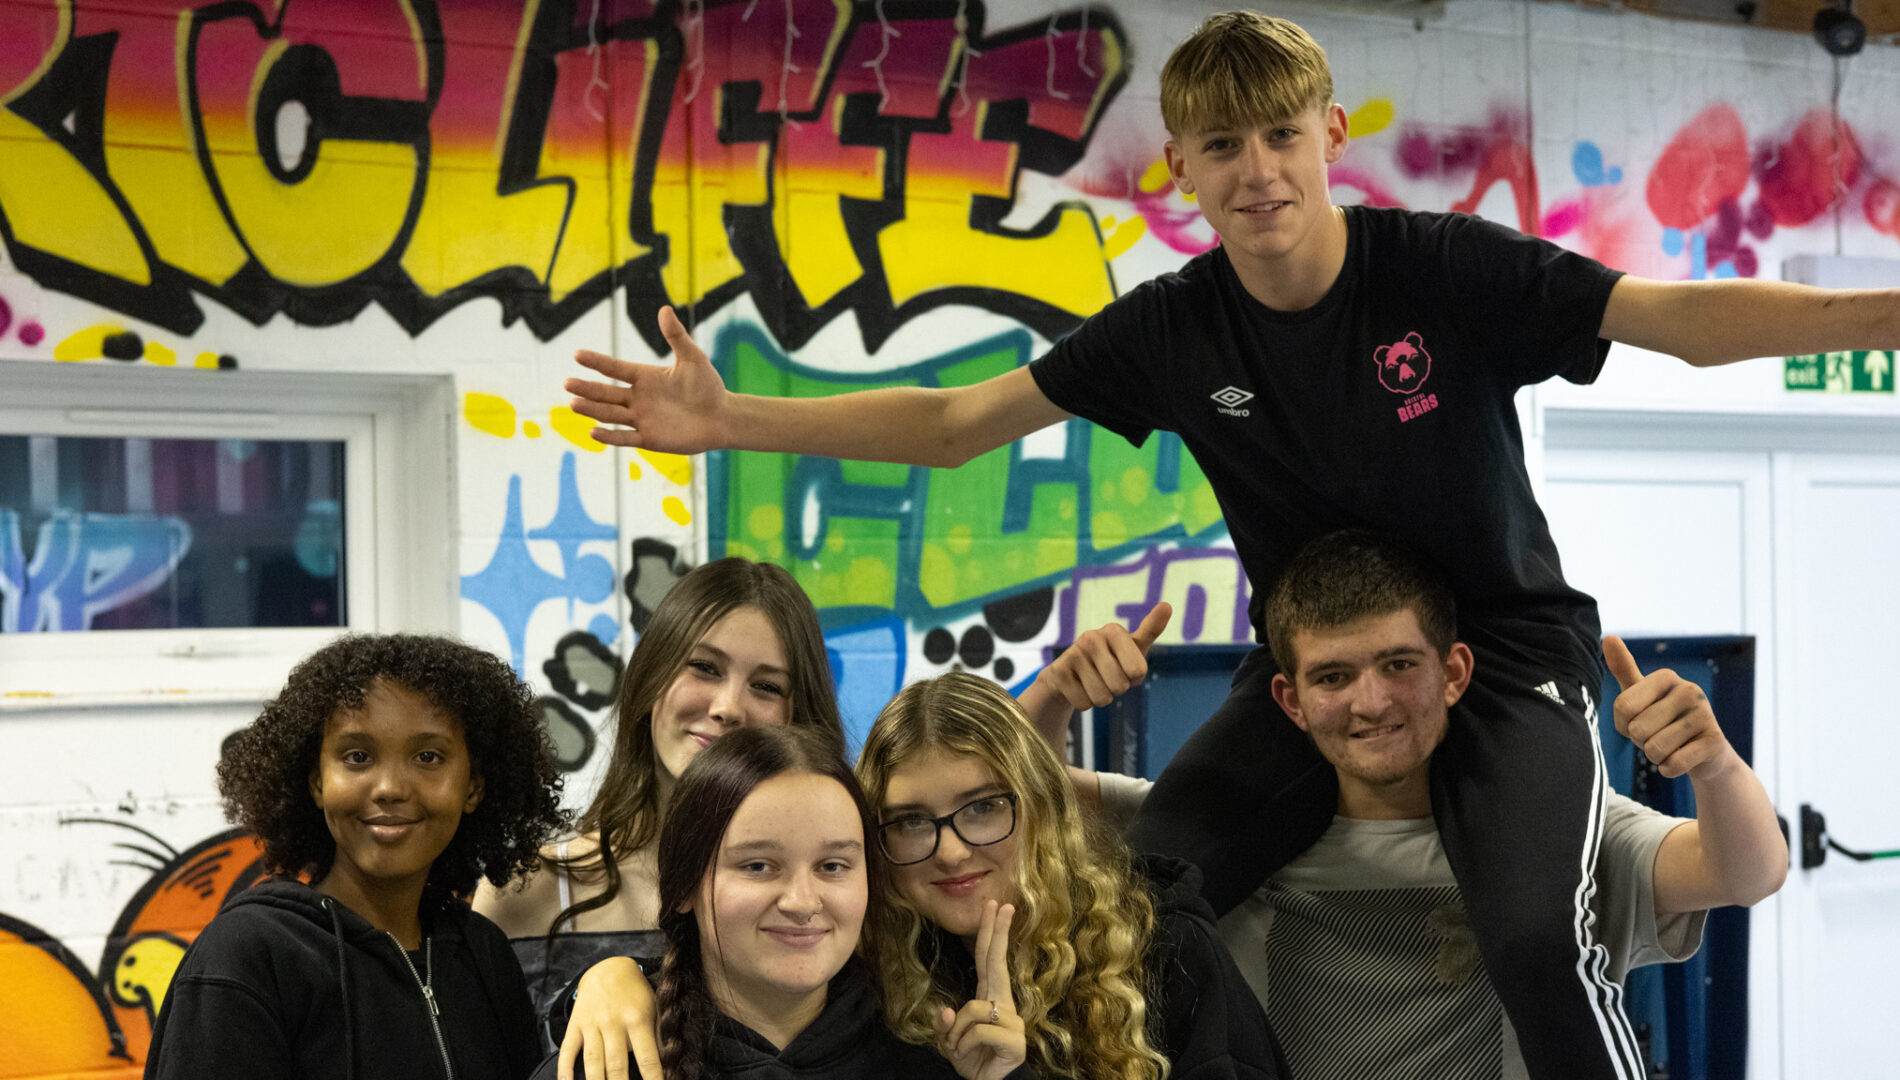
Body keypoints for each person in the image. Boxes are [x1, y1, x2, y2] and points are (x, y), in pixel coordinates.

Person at [560, 11, 1886, 1075]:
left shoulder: (1443, 268)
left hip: (1506, 656)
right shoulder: (1176, 328)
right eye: (1221, 147)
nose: (1256, 173)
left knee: (1536, 937)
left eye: (1277, 137)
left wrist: (1880, 317)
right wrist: (732, 417)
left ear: (1328, 136)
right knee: (1133, 896)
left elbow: (1672, 315)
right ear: (1178, 173)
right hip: (1298, 673)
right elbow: (962, 421)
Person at [1027, 530, 1788, 1079]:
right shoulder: (1219, 833)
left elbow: (1745, 874)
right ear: (1288, 699)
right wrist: (1055, 697)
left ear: (1454, 672)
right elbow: (1015, 802)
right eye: (1333, 677)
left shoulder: (1555, 837)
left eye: (1399, 665)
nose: (1371, 702)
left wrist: (1715, 765)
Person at [145, 633, 567, 1080]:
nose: (389, 787)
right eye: (357, 756)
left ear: (473, 787)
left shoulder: (483, 955)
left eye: (428, 756)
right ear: (316, 782)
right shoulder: (248, 957)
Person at [473, 557, 843, 1059]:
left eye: (766, 686)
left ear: (800, 715)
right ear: (651, 678)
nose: (728, 706)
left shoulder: (831, 902)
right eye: (705, 668)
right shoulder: (526, 888)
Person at [529, 723, 1036, 1080]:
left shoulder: (941, 1057)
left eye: (833, 866)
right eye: (757, 866)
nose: (801, 900)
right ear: (683, 886)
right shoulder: (605, 1062)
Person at [857, 671, 1287, 1080]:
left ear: (1043, 806)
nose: (950, 852)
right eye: (910, 822)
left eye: (982, 807)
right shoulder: (873, 982)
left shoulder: (1165, 950)